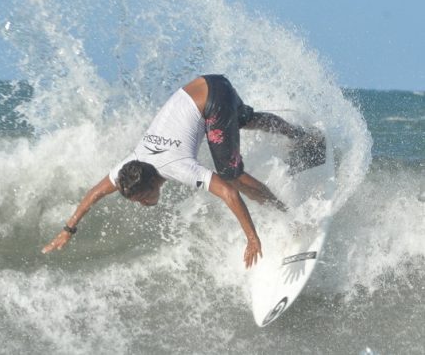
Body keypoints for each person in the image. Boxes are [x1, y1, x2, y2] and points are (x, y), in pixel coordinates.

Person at [42, 75, 324, 268]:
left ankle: (288, 215)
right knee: (244, 119)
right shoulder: (129, 167)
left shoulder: (174, 166)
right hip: (207, 84)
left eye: (142, 197)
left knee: (231, 176)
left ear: (152, 183)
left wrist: (252, 237)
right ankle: (301, 135)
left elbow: (228, 193)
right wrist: (68, 230)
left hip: (212, 100)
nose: (141, 203)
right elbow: (95, 193)